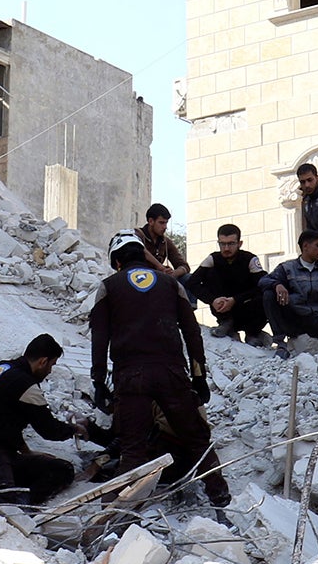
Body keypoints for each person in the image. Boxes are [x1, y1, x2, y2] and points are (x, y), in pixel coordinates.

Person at [90, 230, 230, 506]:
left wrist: (98, 381)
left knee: (132, 448)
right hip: (172, 373)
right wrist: (199, 376)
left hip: (130, 377)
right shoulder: (171, 285)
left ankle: (118, 512)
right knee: (197, 439)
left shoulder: (108, 286)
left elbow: (99, 338)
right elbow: (192, 333)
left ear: (117, 261)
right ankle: (220, 494)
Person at [0, 335, 80, 504]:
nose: (49, 371)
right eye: (51, 365)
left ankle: (26, 504)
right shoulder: (26, 385)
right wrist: (75, 429)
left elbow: (4, 423)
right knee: (5, 500)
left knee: (62, 470)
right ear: (43, 361)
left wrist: (27, 453)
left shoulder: (1, 368)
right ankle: (22, 509)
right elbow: (49, 430)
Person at [190, 224, 268, 342]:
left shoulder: (249, 259)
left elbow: (262, 286)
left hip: (247, 308)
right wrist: (212, 300)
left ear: (239, 243)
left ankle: (253, 334)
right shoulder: (213, 259)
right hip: (222, 309)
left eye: (231, 244)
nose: (226, 248)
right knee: (210, 275)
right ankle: (227, 324)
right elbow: (192, 283)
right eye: (223, 244)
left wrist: (235, 300)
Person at [264, 229, 318, 351]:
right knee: (269, 294)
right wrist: (277, 285)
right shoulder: (287, 268)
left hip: (317, 318)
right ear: (305, 246)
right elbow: (264, 281)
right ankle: (280, 343)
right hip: (294, 318)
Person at [138, 204, 190, 285]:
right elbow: (140, 249)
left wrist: (173, 273)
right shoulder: (138, 235)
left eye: (166, 223)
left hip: (159, 281)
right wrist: (160, 267)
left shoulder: (166, 242)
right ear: (151, 221)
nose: (165, 227)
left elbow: (184, 265)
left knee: (188, 279)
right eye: (161, 223)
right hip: (139, 279)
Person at [294, 162, 318, 241]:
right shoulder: (306, 200)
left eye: (310, 180)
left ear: (317, 178)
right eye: (303, 182)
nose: (307, 185)